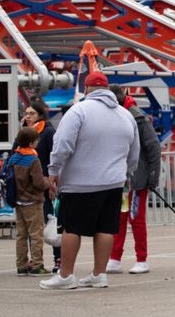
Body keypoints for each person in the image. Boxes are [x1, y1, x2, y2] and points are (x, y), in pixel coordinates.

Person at [41, 71, 139, 291]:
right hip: (114, 183)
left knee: (71, 228)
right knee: (105, 228)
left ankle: (66, 276)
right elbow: (134, 151)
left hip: (80, 182)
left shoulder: (78, 111)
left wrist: (54, 170)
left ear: (86, 89)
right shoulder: (125, 115)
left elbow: (62, 144)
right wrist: (127, 174)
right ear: (107, 89)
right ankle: (99, 275)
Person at [108, 86, 160, 274]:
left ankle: (141, 259)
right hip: (120, 178)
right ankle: (115, 258)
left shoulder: (138, 117)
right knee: (119, 218)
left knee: (135, 218)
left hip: (138, 178)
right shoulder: (116, 115)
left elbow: (153, 146)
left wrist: (153, 177)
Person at [20, 98, 59, 271]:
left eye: (32, 113)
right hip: (27, 187)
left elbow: (54, 156)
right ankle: (34, 260)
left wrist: (52, 181)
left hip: (44, 183)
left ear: (40, 115)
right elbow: (15, 151)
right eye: (26, 113)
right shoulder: (24, 132)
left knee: (51, 221)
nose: (28, 116)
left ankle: (58, 258)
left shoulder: (48, 132)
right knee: (31, 227)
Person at [9, 126, 49, 275]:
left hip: (18, 201)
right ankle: (37, 265)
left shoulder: (14, 158)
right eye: (37, 140)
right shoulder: (33, 160)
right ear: (32, 143)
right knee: (36, 234)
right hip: (32, 201)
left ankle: (21, 265)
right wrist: (48, 182)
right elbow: (38, 183)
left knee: (21, 235)